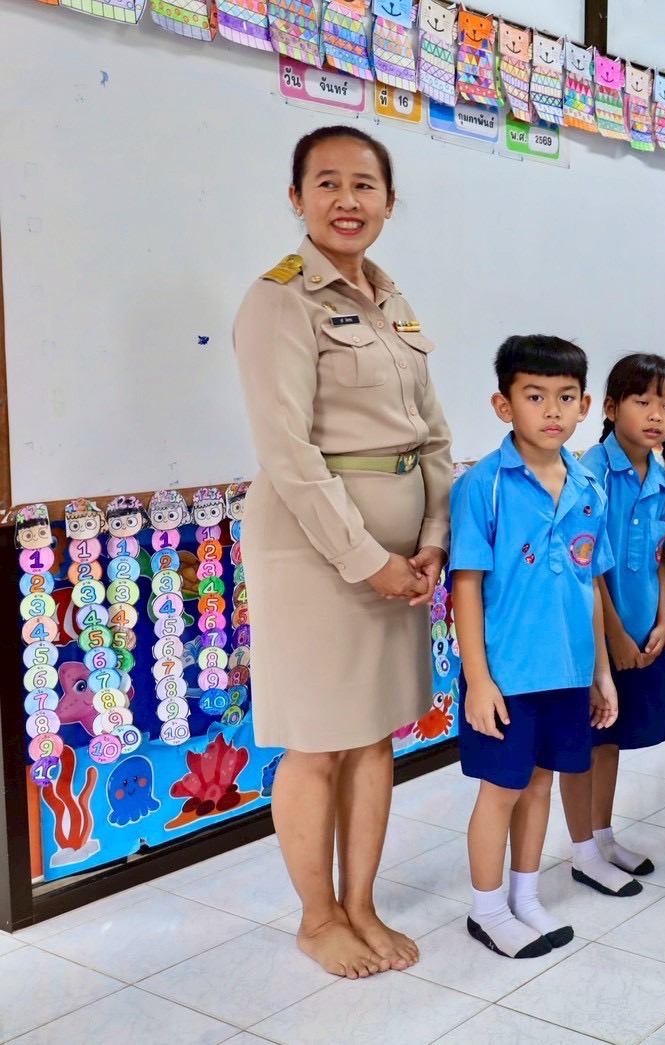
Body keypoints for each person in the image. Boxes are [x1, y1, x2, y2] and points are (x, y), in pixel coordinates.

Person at [233, 125, 452, 979]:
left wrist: (429, 541)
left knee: (372, 735)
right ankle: (317, 917)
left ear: (389, 202)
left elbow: (432, 437)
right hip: (313, 553)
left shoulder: (392, 300)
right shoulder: (279, 300)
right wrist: (368, 560)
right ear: (296, 198)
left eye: (364, 185)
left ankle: (360, 902)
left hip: (399, 554)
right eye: (326, 183)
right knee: (318, 741)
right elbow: (288, 453)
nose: (347, 200)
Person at [450, 335, 618, 959]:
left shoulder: (589, 486)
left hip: (567, 672)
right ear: (504, 405)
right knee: (501, 789)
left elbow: (590, 586)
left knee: (542, 783)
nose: (552, 410)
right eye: (535, 396)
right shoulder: (485, 485)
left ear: (585, 407)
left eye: (566, 397)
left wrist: (601, 672)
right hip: (506, 675)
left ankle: (525, 895)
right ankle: (487, 908)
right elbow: (466, 586)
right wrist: (479, 679)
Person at [572, 354, 665, 892]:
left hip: (645, 633)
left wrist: (663, 620)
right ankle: (583, 851)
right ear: (612, 408)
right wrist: (613, 637)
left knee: (611, 742)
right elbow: (590, 567)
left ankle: (603, 837)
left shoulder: (661, 471)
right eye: (643, 402)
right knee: (587, 743)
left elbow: (663, 556)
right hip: (600, 638)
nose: (656, 415)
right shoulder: (592, 472)